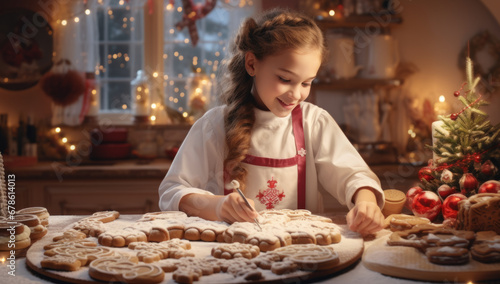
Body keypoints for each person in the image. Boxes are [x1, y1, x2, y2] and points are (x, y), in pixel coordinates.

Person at [159, 8, 385, 235]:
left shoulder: (313, 122)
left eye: (306, 83)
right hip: (234, 252)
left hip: (302, 251)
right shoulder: (214, 125)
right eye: (285, 79)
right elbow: (172, 192)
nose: (296, 94)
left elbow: (354, 175)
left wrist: (366, 202)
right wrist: (217, 205)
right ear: (252, 64)